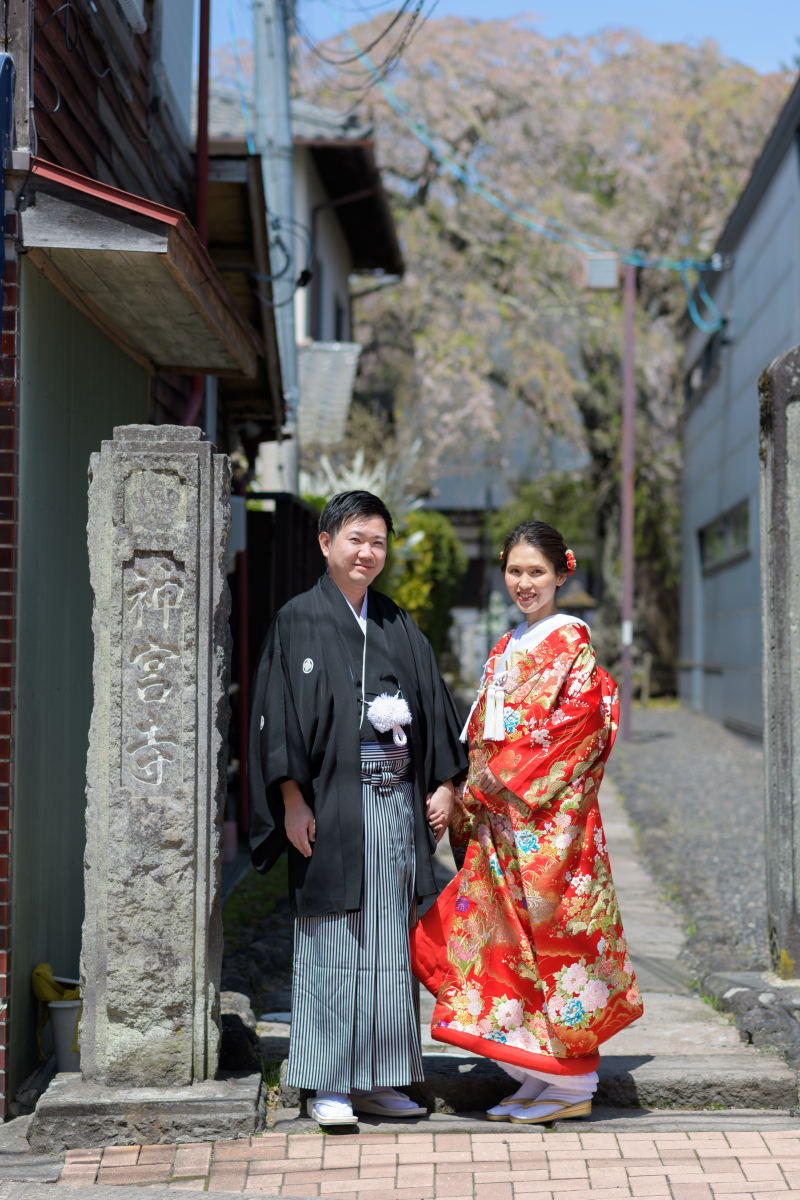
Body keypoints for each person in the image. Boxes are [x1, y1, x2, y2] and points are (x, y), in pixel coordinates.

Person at [248, 490, 468, 1126]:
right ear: (326, 544)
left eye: (377, 541)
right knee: (332, 938)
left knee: (389, 942)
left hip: (393, 803)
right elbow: (276, 717)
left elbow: (435, 706)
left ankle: (380, 1078)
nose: (367, 552)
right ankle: (328, 1082)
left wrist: (444, 786)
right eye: (355, 539)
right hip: (328, 806)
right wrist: (291, 800)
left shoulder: (397, 622)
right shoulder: (297, 619)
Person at [411, 520, 643, 1124]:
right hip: (501, 822)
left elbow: (578, 729)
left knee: (553, 946)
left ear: (562, 573)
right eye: (515, 571)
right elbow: (483, 729)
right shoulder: (508, 643)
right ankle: (539, 1075)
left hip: (548, 827)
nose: (524, 582)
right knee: (505, 948)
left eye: (537, 571)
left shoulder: (571, 644)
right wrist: (471, 784)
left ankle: (572, 1081)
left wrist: (501, 777)